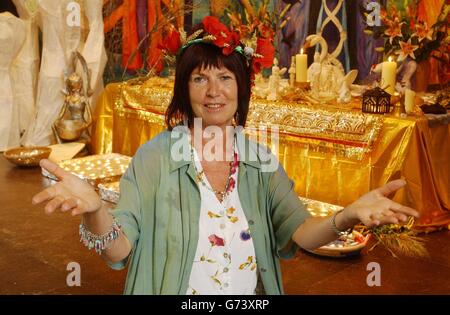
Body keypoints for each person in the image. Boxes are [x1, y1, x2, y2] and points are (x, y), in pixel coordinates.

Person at [32, 16, 419, 295]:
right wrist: (96, 209)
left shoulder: (259, 160)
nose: (213, 91)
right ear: (184, 89)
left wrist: (347, 215)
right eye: (199, 78)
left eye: (225, 77)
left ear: (241, 89)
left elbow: (300, 233)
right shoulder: (154, 158)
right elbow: (120, 248)